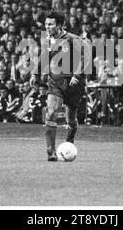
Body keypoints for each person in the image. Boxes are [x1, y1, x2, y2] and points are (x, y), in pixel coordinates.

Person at [31, 11, 87, 161]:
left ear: (60, 25)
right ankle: (51, 151)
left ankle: (69, 141)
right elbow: (43, 58)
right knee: (51, 113)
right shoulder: (47, 41)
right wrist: (34, 74)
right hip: (55, 81)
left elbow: (83, 59)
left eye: (51, 24)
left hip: (74, 84)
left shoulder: (72, 39)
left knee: (71, 120)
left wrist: (76, 75)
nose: (47, 27)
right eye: (46, 24)